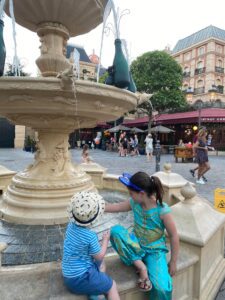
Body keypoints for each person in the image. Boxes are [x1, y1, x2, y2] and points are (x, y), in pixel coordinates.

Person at [105, 172, 179, 299]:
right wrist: (100, 207)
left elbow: (174, 236)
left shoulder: (162, 210)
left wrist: (173, 261)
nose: (130, 196)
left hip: (154, 252)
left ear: (142, 194)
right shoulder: (134, 203)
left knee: (162, 287)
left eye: (131, 194)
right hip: (136, 246)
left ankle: (140, 263)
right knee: (115, 231)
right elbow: (117, 206)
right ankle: (140, 265)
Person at [62, 191, 120, 300]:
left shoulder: (70, 226)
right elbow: (100, 256)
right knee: (112, 285)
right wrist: (105, 241)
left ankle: (96, 293)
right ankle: (96, 290)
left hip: (68, 275)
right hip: (81, 278)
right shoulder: (90, 236)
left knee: (101, 264)